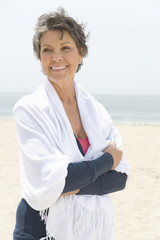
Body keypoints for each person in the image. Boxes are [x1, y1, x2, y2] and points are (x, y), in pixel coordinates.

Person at [13, 7, 129, 240]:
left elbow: (121, 178)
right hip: (39, 231)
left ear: (81, 53)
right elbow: (50, 183)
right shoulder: (29, 110)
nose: (56, 58)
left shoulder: (95, 110)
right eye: (47, 50)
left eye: (66, 48)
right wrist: (107, 160)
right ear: (39, 56)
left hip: (88, 232)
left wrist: (72, 185)